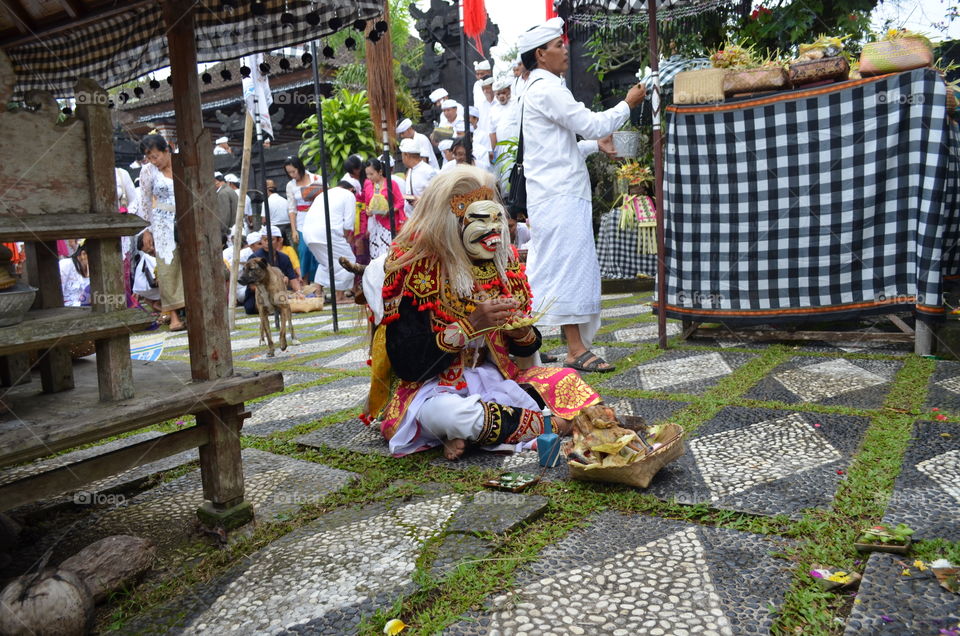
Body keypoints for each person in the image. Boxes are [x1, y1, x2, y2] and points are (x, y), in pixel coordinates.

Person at [363, 166, 602, 459]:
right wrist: (470, 325)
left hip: (493, 378)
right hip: (433, 390)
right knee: (453, 416)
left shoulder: (499, 265)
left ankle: (474, 434)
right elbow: (408, 364)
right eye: (480, 220)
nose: (494, 231)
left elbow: (528, 345)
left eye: (495, 218)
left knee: (566, 378)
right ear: (453, 222)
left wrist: (519, 330)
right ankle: (550, 425)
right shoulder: (417, 269)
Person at [519, 17, 646, 373]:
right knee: (566, 268)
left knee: (550, 268)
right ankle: (575, 349)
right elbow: (590, 123)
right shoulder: (546, 88)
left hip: (555, 193)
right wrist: (627, 104)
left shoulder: (541, 88)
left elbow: (560, 147)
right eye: (558, 45)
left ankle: (529, 346)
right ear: (541, 54)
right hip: (558, 196)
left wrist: (594, 145)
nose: (565, 50)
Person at [134, 134, 187, 331]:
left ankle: (191, 307)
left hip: (185, 217)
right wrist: (147, 229)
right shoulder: (148, 171)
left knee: (188, 263)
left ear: (167, 150)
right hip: (162, 221)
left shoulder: (181, 164)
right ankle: (173, 316)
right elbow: (146, 202)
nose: (152, 161)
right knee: (167, 267)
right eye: (149, 157)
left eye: (155, 156)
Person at [303, 180, 357, 304]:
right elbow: (348, 224)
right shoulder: (349, 195)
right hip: (326, 232)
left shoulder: (324, 194)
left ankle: (317, 294)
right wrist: (347, 239)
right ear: (351, 189)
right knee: (347, 260)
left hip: (308, 233)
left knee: (326, 262)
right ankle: (339, 296)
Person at [242, 228, 302, 315]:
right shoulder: (254, 258)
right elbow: (252, 286)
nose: (267, 243)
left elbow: (293, 279)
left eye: (271, 240)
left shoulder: (284, 258)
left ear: (279, 240)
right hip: (259, 296)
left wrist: (299, 292)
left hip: (281, 295)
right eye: (264, 239)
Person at [283, 156, 322, 283]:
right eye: (289, 173)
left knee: (318, 251)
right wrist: (294, 230)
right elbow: (291, 209)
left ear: (300, 168)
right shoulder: (290, 185)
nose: (292, 175)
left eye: (294, 171)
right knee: (304, 251)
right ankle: (305, 282)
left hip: (318, 219)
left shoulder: (316, 179)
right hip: (301, 221)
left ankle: (318, 284)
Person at [361, 158, 406, 260]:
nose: (369, 177)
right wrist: (368, 211)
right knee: (376, 255)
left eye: (371, 174)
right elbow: (367, 205)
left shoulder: (391, 183)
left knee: (388, 254)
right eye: (367, 174)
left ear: (380, 172)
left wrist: (389, 211)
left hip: (390, 225)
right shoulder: (369, 185)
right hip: (375, 225)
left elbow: (400, 202)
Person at [399, 137, 438, 217]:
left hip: (425, 219)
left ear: (406, 155)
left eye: (402, 155)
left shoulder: (428, 171)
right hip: (411, 218)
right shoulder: (410, 170)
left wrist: (422, 200)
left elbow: (438, 195)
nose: (402, 158)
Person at [59, 241, 89, 307]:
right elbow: (56, 294)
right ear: (83, 254)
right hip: (67, 307)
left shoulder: (94, 269)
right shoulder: (66, 264)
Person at [263, 179, 291, 244]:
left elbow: (264, 220)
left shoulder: (266, 202)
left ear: (267, 190)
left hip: (274, 228)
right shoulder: (285, 200)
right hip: (287, 227)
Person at [214, 172, 238, 236]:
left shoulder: (222, 193)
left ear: (216, 181)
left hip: (229, 231)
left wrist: (222, 232)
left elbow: (224, 214)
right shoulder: (229, 189)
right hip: (235, 228)